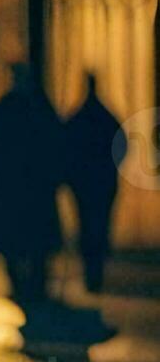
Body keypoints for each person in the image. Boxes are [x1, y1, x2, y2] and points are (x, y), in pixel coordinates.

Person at [0, 64, 64, 307]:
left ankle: (22, 285)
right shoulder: (40, 109)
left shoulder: (4, 110)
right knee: (34, 242)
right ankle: (35, 285)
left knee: (13, 242)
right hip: (34, 190)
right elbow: (57, 148)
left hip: (12, 191)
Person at [64, 73, 125, 294]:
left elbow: (66, 149)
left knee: (88, 226)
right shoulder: (105, 118)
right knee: (99, 226)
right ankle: (95, 271)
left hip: (86, 183)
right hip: (102, 182)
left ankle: (93, 271)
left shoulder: (79, 119)